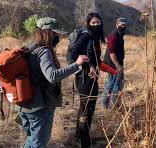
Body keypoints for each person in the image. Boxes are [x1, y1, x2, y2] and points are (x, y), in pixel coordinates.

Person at [18, 17, 89, 148]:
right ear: (48, 32)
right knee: (39, 143)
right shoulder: (44, 51)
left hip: (26, 104)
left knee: (32, 141)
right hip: (40, 106)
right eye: (56, 33)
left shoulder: (29, 46)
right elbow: (52, 76)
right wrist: (77, 64)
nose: (58, 36)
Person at [69, 12, 106, 147]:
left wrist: (96, 66)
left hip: (91, 78)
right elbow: (74, 55)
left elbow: (94, 57)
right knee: (87, 109)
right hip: (84, 79)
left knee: (85, 108)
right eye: (93, 23)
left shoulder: (95, 38)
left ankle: (80, 136)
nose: (96, 24)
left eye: (98, 22)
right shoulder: (85, 36)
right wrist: (88, 65)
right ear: (88, 24)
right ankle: (85, 143)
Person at [102, 17, 127, 109]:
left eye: (124, 25)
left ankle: (107, 105)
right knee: (115, 85)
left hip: (116, 63)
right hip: (113, 65)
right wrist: (118, 66)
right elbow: (111, 52)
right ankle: (112, 107)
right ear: (117, 24)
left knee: (111, 83)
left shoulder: (120, 35)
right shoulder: (113, 36)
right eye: (121, 25)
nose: (123, 26)